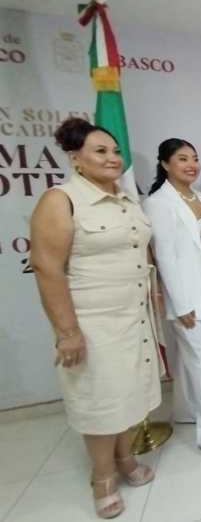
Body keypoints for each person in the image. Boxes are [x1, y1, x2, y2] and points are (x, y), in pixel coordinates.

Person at [30, 118, 161, 519]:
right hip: (92, 322)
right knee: (101, 401)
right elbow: (47, 267)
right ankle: (102, 477)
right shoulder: (61, 199)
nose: (112, 158)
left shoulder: (124, 198)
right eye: (100, 151)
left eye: (115, 151)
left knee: (126, 396)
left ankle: (125, 460)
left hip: (132, 316)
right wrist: (67, 332)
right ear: (75, 158)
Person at [142, 139, 201, 459]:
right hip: (187, 297)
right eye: (182, 159)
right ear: (165, 164)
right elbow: (164, 256)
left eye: (194, 158)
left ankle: (185, 411)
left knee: (191, 360)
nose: (191, 164)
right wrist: (180, 305)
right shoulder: (158, 203)